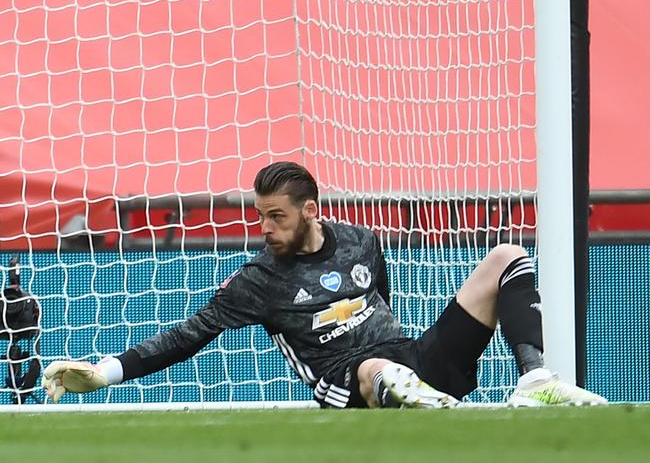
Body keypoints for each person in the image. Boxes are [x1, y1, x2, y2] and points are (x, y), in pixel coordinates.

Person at [42, 161, 607, 408]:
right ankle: (420, 407)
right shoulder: (257, 280)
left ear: (310, 210)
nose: (264, 229)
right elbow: (188, 335)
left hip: (412, 357)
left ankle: (534, 377)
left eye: (275, 217)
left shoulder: (361, 241)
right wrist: (103, 373)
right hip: (346, 383)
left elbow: (378, 298)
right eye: (260, 216)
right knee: (372, 370)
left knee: (507, 256)